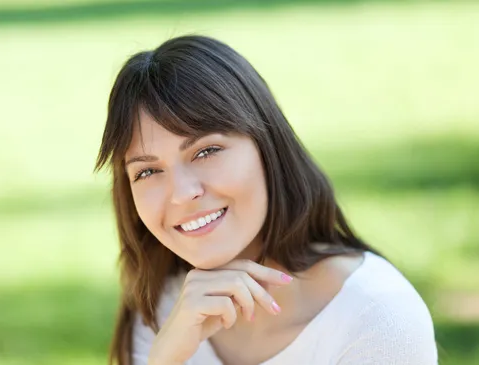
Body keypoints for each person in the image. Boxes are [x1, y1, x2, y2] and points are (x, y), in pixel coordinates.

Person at [95, 35, 437, 365]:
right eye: (148, 172)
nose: (183, 193)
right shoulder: (163, 308)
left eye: (207, 151)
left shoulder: (376, 317)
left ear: (267, 147)